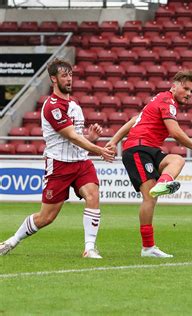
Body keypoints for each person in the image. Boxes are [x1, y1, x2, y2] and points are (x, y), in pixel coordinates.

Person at [0, 58, 115, 258]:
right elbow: (70, 135)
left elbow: (76, 137)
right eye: (64, 75)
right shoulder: (52, 106)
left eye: (70, 75)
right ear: (53, 79)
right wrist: (98, 149)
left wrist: (90, 138)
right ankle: (12, 240)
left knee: (93, 195)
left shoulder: (75, 105)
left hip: (80, 162)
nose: (69, 79)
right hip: (59, 165)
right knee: (46, 217)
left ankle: (89, 248)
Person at [106, 71, 192, 258]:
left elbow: (133, 120)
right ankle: (147, 248)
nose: (188, 93)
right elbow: (175, 132)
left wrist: (114, 141)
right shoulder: (167, 101)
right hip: (138, 149)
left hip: (149, 148)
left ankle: (163, 182)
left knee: (177, 160)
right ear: (174, 86)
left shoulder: (159, 99)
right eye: (185, 88)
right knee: (150, 198)